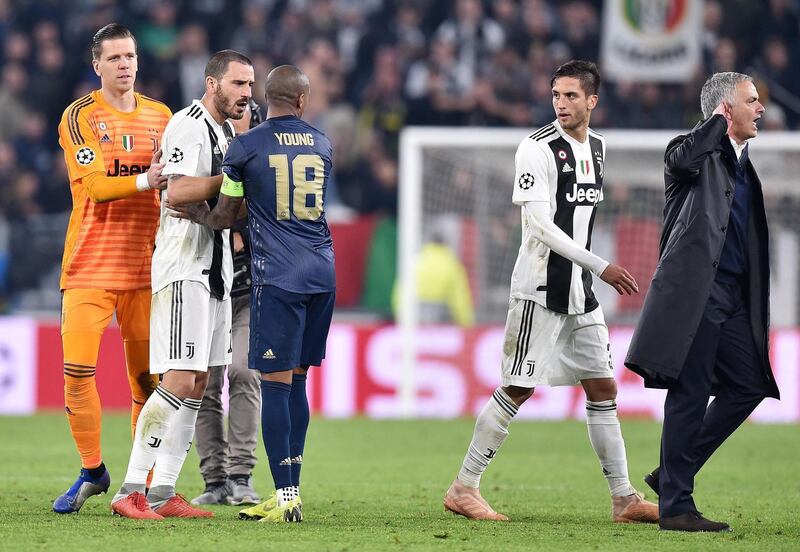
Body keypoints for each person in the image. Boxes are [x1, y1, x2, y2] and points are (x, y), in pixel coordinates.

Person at [442, 60, 658, 523]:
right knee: (517, 388)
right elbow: (538, 225)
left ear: (591, 101)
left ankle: (624, 499)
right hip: (541, 288)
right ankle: (464, 487)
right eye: (556, 95)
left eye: (571, 96)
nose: (561, 103)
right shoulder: (536, 149)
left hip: (581, 292)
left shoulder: (597, 148)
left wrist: (591, 272)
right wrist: (602, 265)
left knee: (602, 387)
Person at [172, 65, 335, 524]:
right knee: (299, 380)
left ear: (266, 96)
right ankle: (291, 493)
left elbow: (226, 214)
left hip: (277, 276)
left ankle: (283, 497)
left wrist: (198, 216)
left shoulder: (245, 147)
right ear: (302, 101)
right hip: (322, 272)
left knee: (274, 386)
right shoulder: (323, 144)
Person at [625, 72, 779, 533]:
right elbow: (685, 158)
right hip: (695, 294)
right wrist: (714, 122)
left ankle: (671, 474)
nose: (761, 108)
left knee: (749, 385)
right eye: (751, 101)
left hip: (732, 297)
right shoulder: (689, 152)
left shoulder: (742, 163)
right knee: (689, 394)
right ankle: (677, 507)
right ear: (725, 110)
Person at [110, 50, 255, 520]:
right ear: (212, 84)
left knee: (198, 381)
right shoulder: (188, 124)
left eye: (250, 86)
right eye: (238, 84)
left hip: (216, 271)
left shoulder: (227, 133)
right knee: (177, 377)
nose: (247, 94)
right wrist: (229, 178)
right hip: (184, 268)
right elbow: (174, 190)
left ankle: (165, 490)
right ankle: (130, 488)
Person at [53, 23, 171, 514]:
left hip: (145, 270)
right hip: (89, 269)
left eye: (130, 56)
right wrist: (150, 177)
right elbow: (98, 187)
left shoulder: (161, 117)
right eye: (115, 57)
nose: (125, 64)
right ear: (96, 65)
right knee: (78, 374)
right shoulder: (79, 117)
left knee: (146, 383)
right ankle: (92, 470)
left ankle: (137, 483)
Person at [191, 99, 264, 507]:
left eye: (245, 123)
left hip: (250, 291)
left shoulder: (265, 167)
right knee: (202, 382)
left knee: (243, 371)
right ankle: (214, 480)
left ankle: (241, 475)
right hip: (209, 285)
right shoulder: (202, 155)